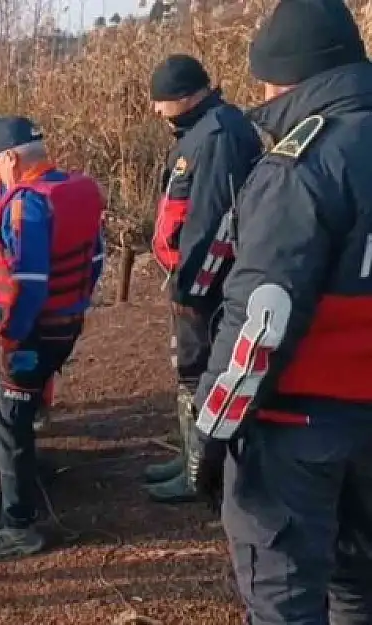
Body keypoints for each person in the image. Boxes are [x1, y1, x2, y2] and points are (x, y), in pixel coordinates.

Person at [191, 1, 372, 622]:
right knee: (359, 587)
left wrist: (211, 432)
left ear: (287, 75)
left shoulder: (303, 165)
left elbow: (261, 319)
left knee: (285, 598)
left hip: (296, 428)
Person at [0, 117, 105, 559]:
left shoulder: (27, 204)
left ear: (10, 157)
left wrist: (8, 339)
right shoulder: (78, 190)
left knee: (9, 419)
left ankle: (18, 526)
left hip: (35, 333)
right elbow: (96, 259)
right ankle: (22, 491)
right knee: (22, 411)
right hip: (67, 323)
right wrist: (74, 306)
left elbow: (28, 283)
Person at [143, 54, 264, 503]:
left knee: (202, 372)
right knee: (188, 371)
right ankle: (189, 456)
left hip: (209, 287)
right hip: (191, 278)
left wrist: (193, 289)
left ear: (186, 96)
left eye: (161, 102)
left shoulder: (217, 135)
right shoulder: (201, 130)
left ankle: (201, 474)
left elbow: (213, 221)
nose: (156, 112)